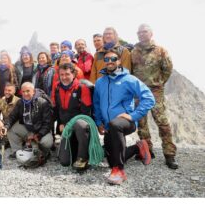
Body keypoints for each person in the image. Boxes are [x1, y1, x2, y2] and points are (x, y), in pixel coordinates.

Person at [93, 49, 155, 185]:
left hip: (126, 122)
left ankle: (119, 170)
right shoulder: (100, 82)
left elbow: (149, 98)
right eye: (107, 59)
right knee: (110, 159)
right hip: (109, 126)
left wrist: (133, 115)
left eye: (113, 59)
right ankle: (138, 148)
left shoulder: (129, 79)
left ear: (119, 61)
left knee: (116, 126)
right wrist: (99, 122)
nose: (110, 62)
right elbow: (96, 104)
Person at [131, 24, 178, 169]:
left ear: (151, 33)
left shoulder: (161, 51)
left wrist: (159, 83)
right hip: (139, 93)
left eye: (144, 32)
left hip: (155, 91)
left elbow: (167, 69)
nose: (141, 34)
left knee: (162, 122)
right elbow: (130, 71)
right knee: (142, 124)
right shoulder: (133, 52)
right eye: (139, 32)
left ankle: (169, 155)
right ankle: (147, 150)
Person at [53, 63, 93, 171]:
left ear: (74, 74)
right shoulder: (57, 88)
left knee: (81, 124)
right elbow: (56, 108)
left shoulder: (82, 88)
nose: (64, 77)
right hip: (65, 127)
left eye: (67, 74)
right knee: (65, 162)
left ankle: (83, 158)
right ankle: (74, 149)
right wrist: (60, 124)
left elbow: (85, 113)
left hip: (78, 125)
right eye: (62, 75)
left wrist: (68, 125)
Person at [2, 82, 53, 164]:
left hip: (41, 131)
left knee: (46, 143)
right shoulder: (20, 102)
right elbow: (12, 116)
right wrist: (5, 126)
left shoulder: (43, 103)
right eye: (23, 91)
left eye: (28, 91)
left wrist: (38, 135)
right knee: (10, 129)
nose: (25, 94)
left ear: (33, 91)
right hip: (28, 130)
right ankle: (17, 151)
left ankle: (45, 152)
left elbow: (48, 123)